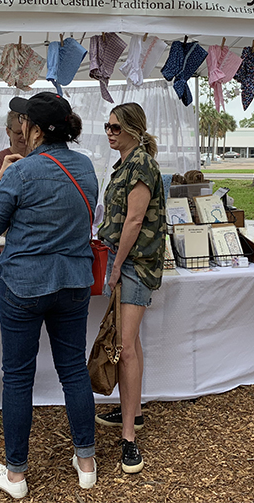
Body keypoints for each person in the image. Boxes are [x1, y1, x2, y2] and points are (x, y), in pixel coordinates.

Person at [0, 92, 98, 499]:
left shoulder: (21, 172)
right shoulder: (85, 167)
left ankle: (16, 475)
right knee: (73, 370)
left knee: (18, 377)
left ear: (34, 128)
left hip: (24, 284)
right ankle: (85, 462)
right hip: (74, 281)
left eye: (23, 121)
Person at [95, 102, 166, 474]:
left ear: (134, 130)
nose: (110, 132)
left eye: (116, 128)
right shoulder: (126, 162)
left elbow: (135, 219)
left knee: (124, 347)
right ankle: (132, 414)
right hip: (128, 261)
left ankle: (128, 439)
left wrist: (117, 265)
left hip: (136, 263)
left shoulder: (140, 164)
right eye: (107, 127)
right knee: (131, 342)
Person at [0, 110, 27, 185]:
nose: (23, 137)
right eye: (18, 133)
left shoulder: (40, 155)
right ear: (8, 132)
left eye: (26, 132)